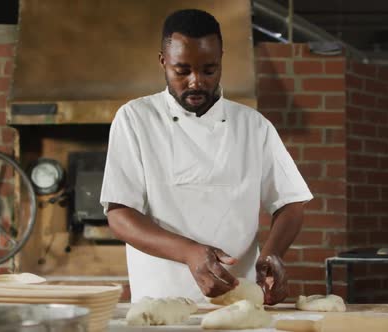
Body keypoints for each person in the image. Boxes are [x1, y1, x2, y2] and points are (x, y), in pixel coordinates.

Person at [100, 8, 313, 305]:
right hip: (160, 304)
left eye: (209, 70)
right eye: (182, 70)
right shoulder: (135, 119)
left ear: (222, 59)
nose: (196, 81)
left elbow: (291, 202)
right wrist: (189, 252)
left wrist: (271, 255)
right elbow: (120, 215)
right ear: (163, 61)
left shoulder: (253, 126)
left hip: (239, 302)